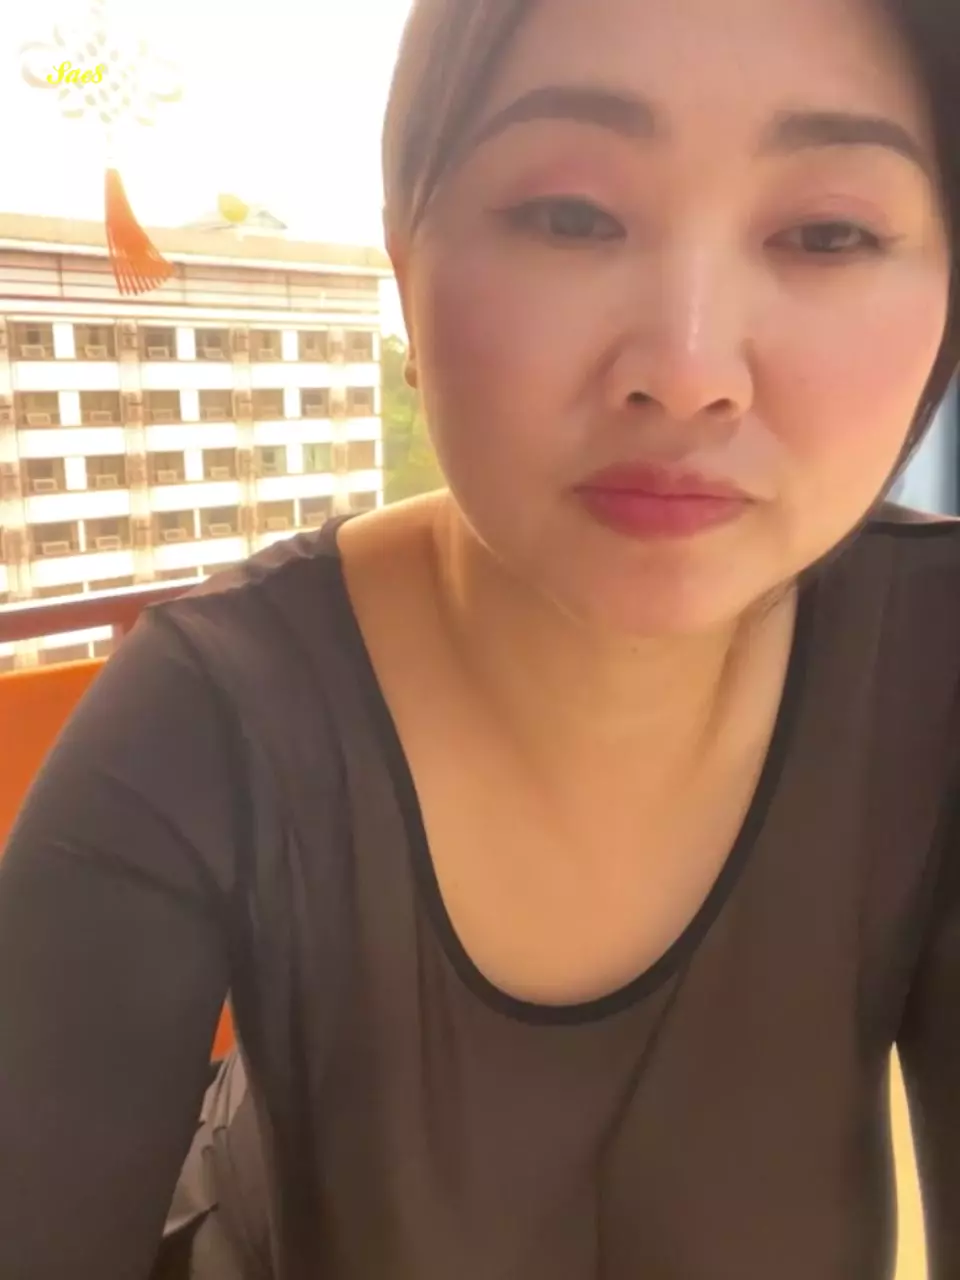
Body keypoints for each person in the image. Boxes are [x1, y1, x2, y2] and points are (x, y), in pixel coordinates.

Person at [2, 0, 960, 1274]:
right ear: (405, 268)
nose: (687, 372)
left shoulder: (935, 662)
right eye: (570, 215)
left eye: (828, 232)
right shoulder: (209, 708)